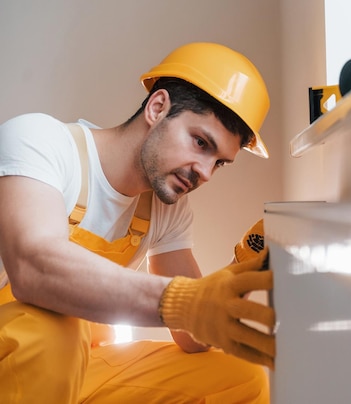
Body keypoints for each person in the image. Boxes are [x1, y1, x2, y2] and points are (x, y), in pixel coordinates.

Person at [0, 42, 276, 403]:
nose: (205, 173)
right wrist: (178, 300)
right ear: (157, 107)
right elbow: (33, 267)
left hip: (78, 366)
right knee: (53, 331)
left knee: (242, 376)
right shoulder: (42, 142)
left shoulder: (167, 207)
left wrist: (243, 265)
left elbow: (191, 336)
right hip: (21, 356)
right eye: (200, 143)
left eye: (219, 162)